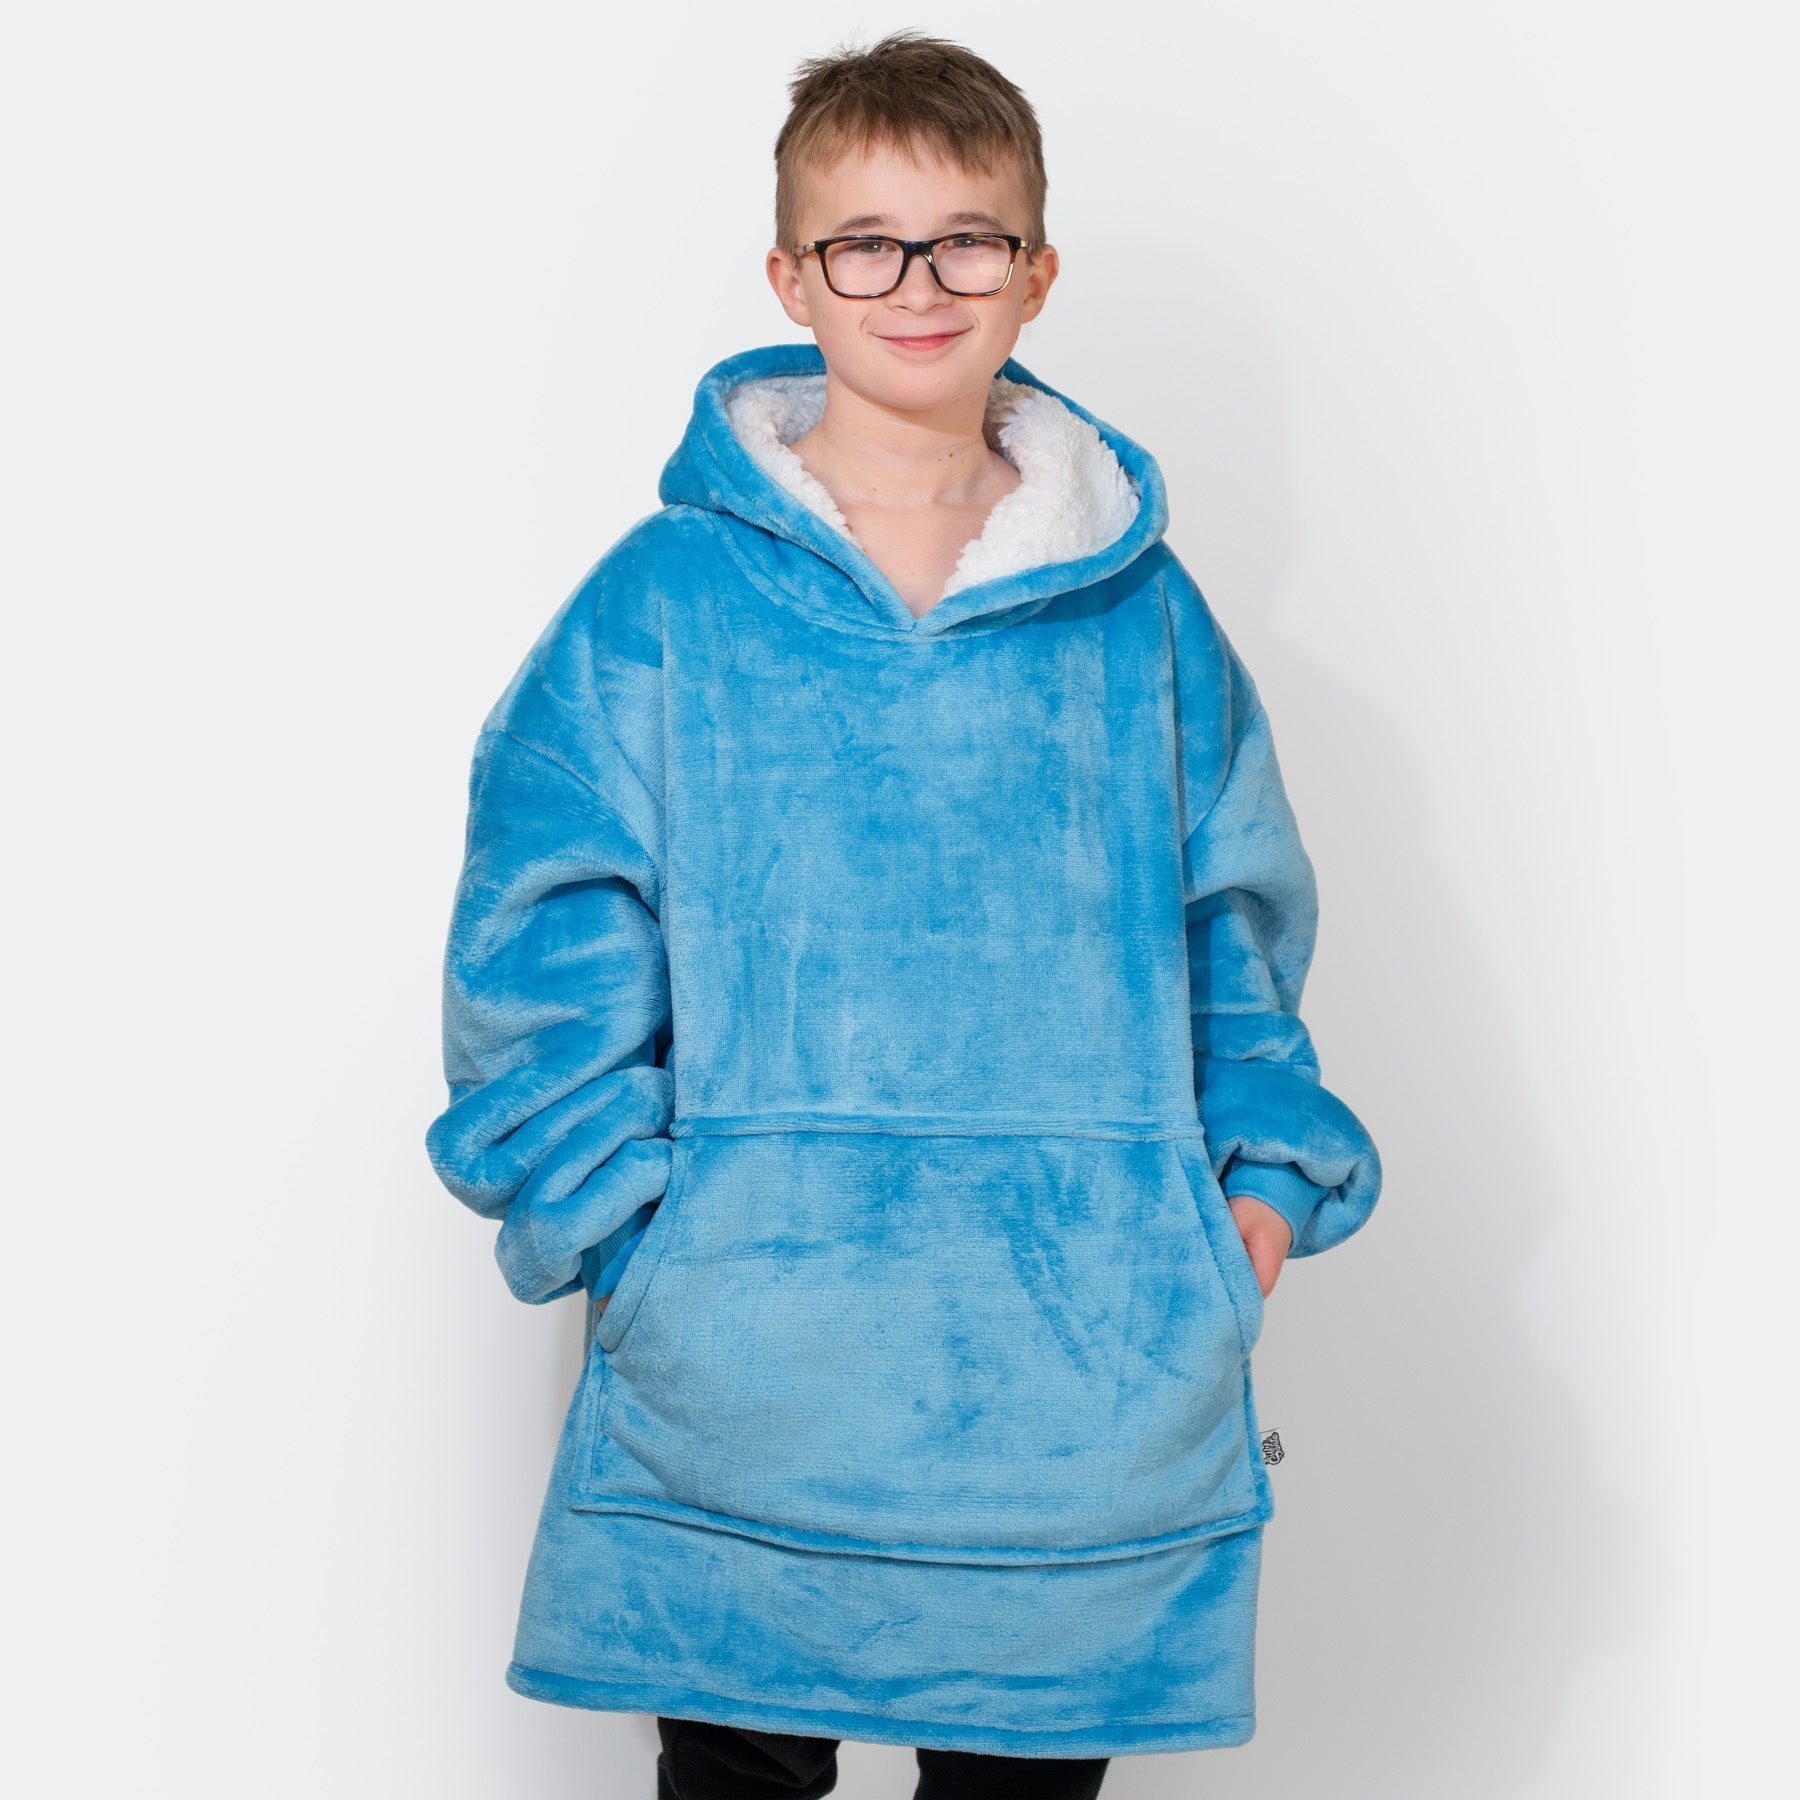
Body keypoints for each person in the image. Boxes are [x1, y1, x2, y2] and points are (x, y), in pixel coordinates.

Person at [426, 30, 1381, 1798]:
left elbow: (1234, 936)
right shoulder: (665, 601)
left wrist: (1249, 1193)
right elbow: (539, 933)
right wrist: (629, 1225)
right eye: (865, 243)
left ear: (1038, 271)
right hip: (745, 1360)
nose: (919, 284)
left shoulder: (1139, 616)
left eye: (967, 240)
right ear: (791, 276)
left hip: (1084, 1370)